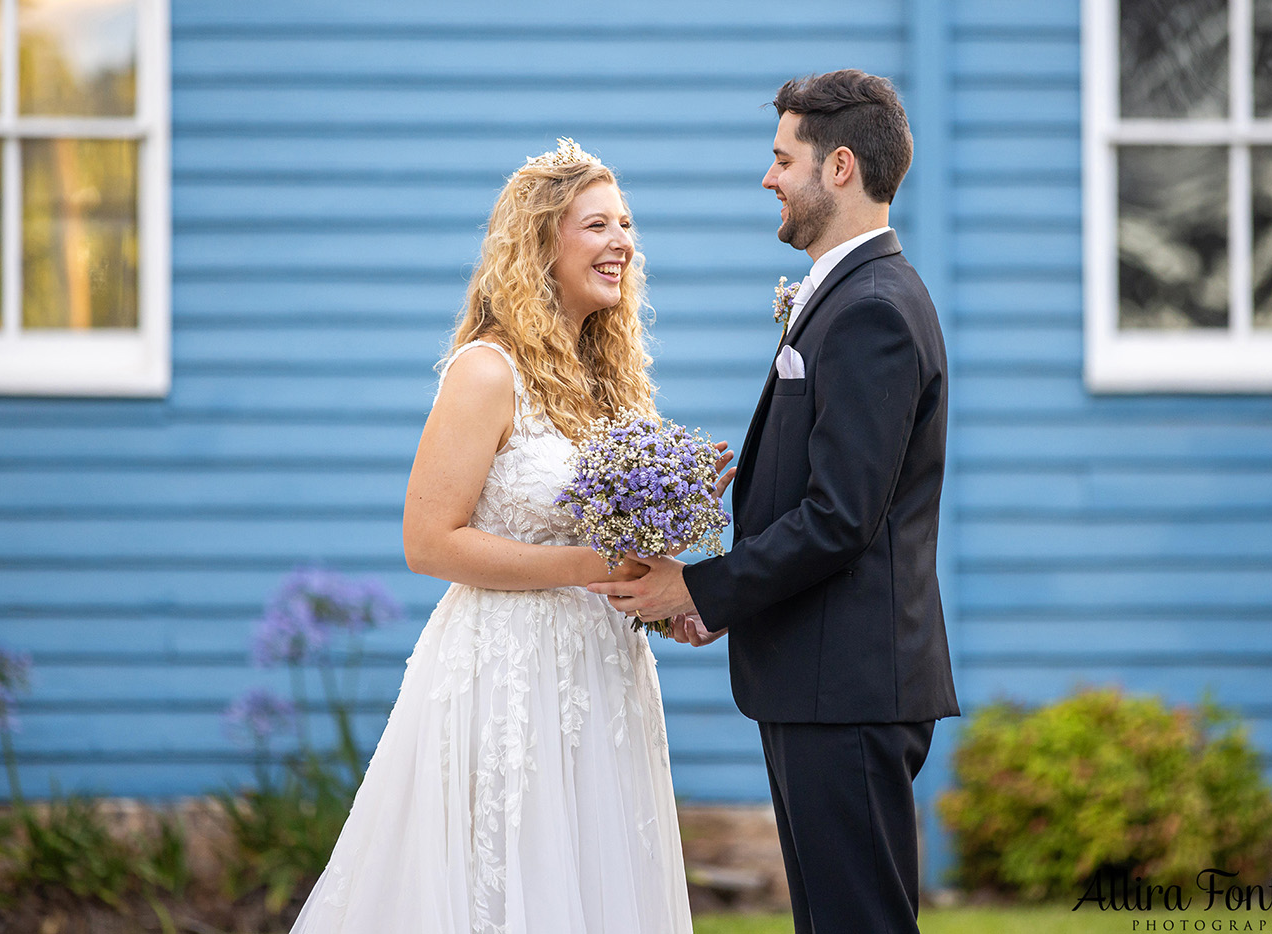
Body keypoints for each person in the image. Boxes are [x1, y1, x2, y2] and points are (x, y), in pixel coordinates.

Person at [288, 138, 693, 934]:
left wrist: (660, 582)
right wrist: (590, 564)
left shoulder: (607, 379)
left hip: (602, 672)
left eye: (627, 225)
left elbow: (612, 542)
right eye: (597, 226)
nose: (622, 243)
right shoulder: (486, 370)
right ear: (542, 242)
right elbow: (428, 541)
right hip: (507, 671)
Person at [589, 71, 961, 934]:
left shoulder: (872, 309)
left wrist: (702, 587)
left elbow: (840, 517)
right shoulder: (846, 297)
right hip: (821, 678)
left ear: (837, 168)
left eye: (780, 158)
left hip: (848, 688)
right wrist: (732, 603)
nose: (768, 179)